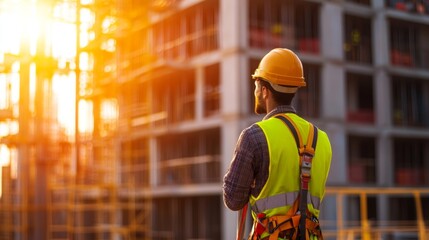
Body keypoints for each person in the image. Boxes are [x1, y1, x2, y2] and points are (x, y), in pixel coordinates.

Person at [223, 48, 332, 240]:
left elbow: (233, 200)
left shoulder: (254, 137)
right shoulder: (321, 138)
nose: (255, 90)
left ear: (264, 91)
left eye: (257, 83)